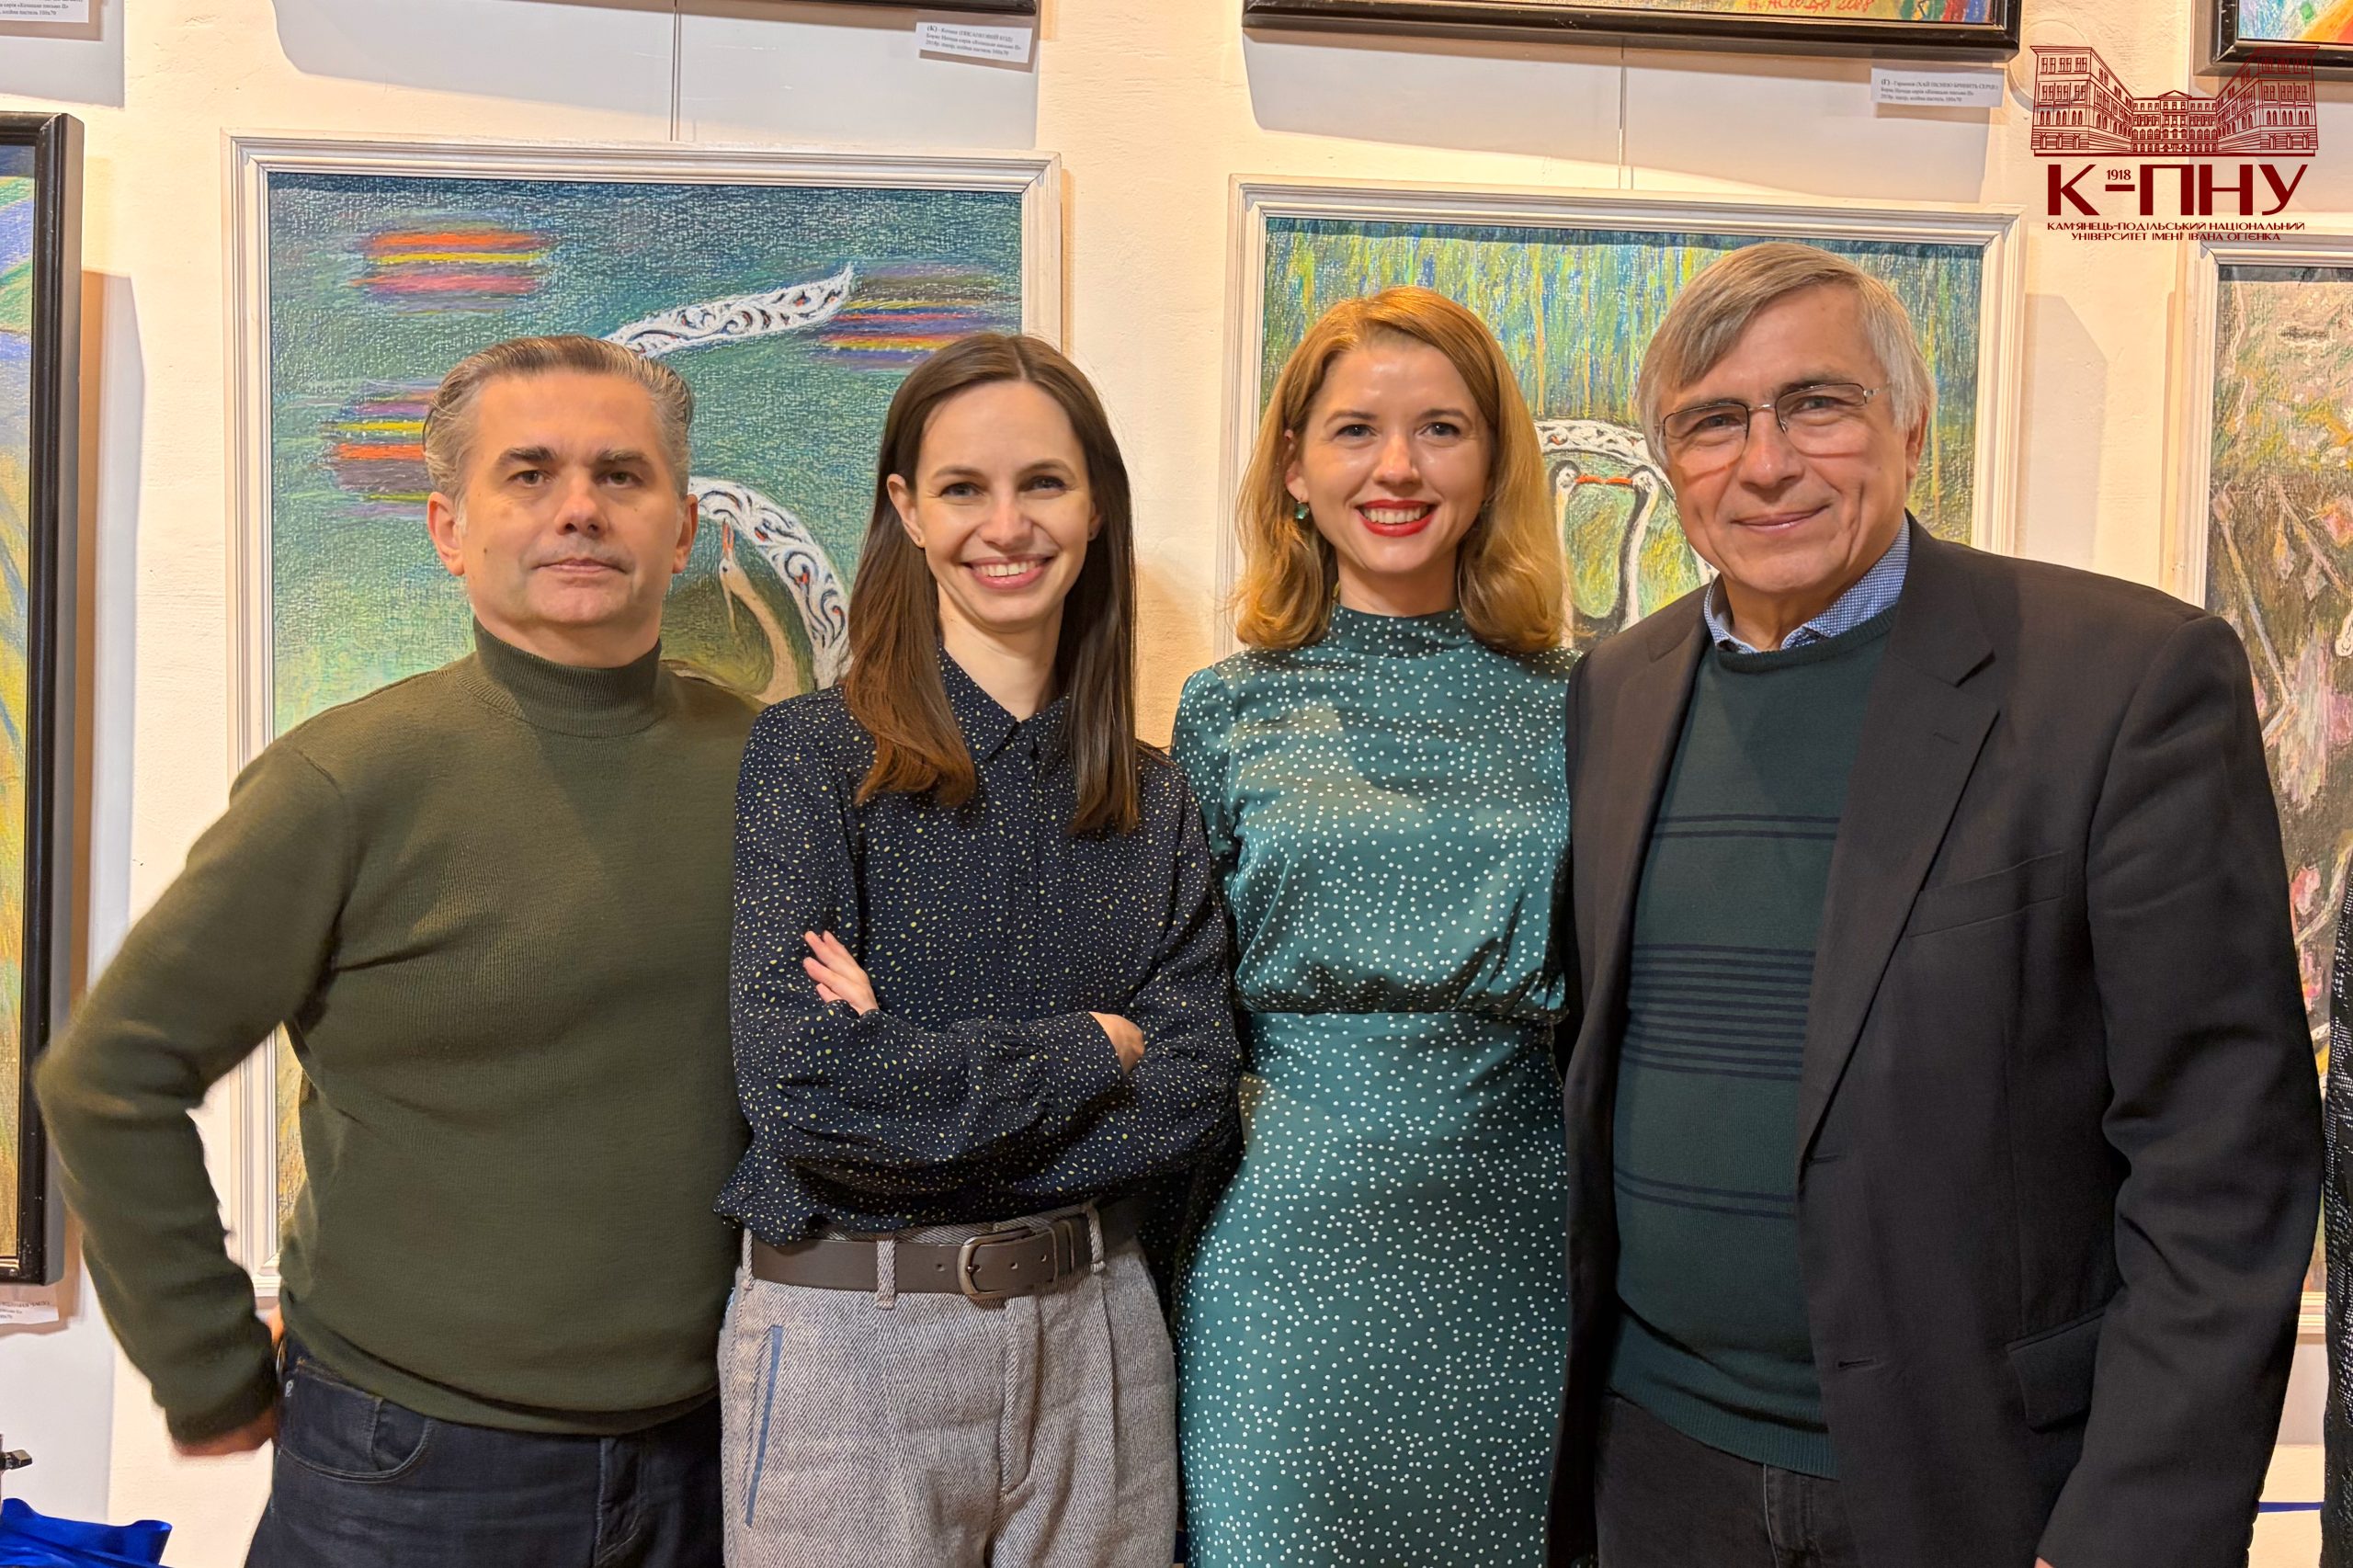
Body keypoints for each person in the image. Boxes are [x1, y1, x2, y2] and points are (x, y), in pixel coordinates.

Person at [1551, 241, 2322, 1568]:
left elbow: (2223, 1156)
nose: (1766, 462)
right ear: (1669, 462)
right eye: (1713, 421)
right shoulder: (1618, 688)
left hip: (1978, 1485)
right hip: (1657, 1467)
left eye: (1816, 404)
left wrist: (2128, 1534)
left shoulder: (2122, 680)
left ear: (1913, 429)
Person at [36, 335, 755, 1567]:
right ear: (448, 528)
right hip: (412, 1471)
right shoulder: (345, 782)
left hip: (720, 1458)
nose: (579, 507)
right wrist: (208, 1367)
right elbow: (108, 1076)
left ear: (682, 527)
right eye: (528, 474)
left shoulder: (776, 768)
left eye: (621, 475)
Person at [719, 331, 1241, 1568]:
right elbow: (806, 1091)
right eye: (963, 487)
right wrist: (1093, 1048)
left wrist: (912, 1065)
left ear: (1097, 506)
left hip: (1101, 1341)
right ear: (907, 508)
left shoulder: (1156, 797)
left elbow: (1192, 1091)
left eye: (1043, 483)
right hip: (851, 1340)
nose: (1006, 525)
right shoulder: (809, 758)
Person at [1170, 286, 1574, 1567]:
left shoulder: (1588, 703)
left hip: (1519, 1254)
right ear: (1294, 469)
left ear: (1494, 464)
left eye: (1441, 429)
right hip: (1283, 1264)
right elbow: (1185, 1006)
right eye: (1356, 430)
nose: (1397, 467)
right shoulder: (1224, 709)